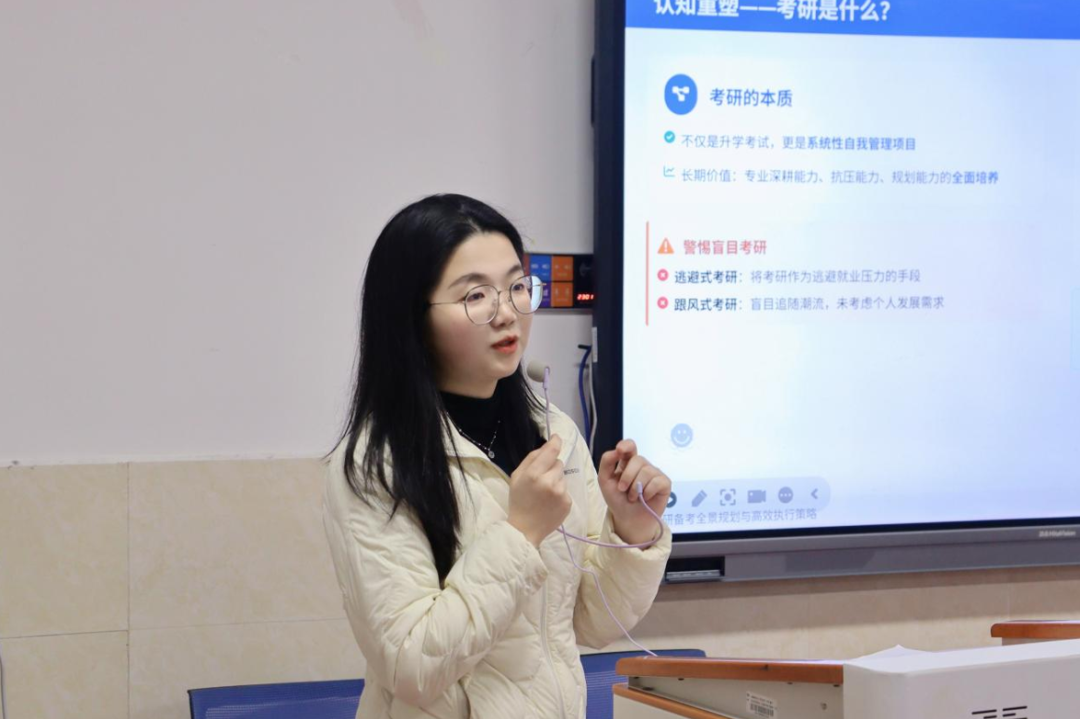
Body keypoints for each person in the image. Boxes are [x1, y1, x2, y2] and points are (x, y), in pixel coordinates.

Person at [323, 193, 672, 719]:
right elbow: (412, 665)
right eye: (476, 296)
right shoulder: (374, 466)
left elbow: (592, 622)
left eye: (516, 287)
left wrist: (630, 530)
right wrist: (520, 533)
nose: (507, 312)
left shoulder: (553, 432)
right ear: (413, 317)